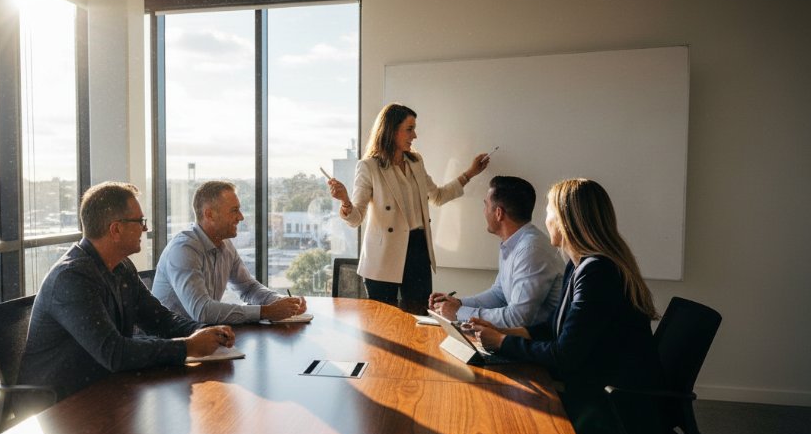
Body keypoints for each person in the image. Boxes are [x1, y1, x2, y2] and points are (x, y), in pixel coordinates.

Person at [467, 178, 665, 434]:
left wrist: (501, 342)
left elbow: (565, 354)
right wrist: (503, 331)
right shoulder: (581, 265)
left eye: (549, 211)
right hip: (600, 385)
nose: (545, 218)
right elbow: (554, 327)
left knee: (509, 409)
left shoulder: (597, 273)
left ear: (565, 220)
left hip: (616, 406)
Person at [19, 181, 232, 402]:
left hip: (103, 386)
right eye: (140, 221)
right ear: (116, 229)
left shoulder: (121, 267)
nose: (145, 228)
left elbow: (160, 319)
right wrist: (188, 346)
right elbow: (114, 352)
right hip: (58, 403)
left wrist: (207, 330)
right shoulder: (72, 278)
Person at [327, 103, 490, 314]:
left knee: (420, 317)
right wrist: (344, 200)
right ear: (391, 130)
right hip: (383, 256)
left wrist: (470, 173)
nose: (415, 135)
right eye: (409, 129)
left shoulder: (416, 161)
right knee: (382, 324)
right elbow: (356, 217)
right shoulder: (369, 167)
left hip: (418, 251)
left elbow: (438, 196)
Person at [152, 180, 306, 324]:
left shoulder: (225, 244)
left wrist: (282, 301)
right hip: (171, 343)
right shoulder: (183, 249)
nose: (241, 217)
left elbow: (248, 288)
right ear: (209, 214)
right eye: (234, 211)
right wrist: (266, 312)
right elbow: (202, 311)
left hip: (202, 337)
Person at [428, 176, 563, 327]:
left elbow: (518, 319)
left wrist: (459, 312)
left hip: (538, 342)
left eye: (486, 205)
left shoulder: (531, 250)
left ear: (499, 213)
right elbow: (500, 294)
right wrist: (458, 303)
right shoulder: (515, 242)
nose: (484, 211)